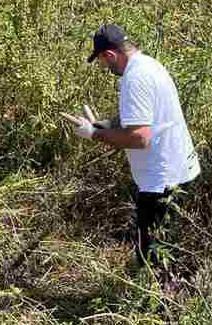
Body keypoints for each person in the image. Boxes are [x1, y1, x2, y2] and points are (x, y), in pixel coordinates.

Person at [61, 24, 201, 269]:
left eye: (103, 62)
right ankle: (161, 290)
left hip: (161, 181)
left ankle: (158, 301)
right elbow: (146, 118)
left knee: (154, 256)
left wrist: (93, 134)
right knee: (162, 248)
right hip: (176, 171)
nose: (105, 68)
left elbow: (139, 138)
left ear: (111, 55)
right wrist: (108, 125)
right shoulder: (150, 65)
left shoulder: (134, 79)